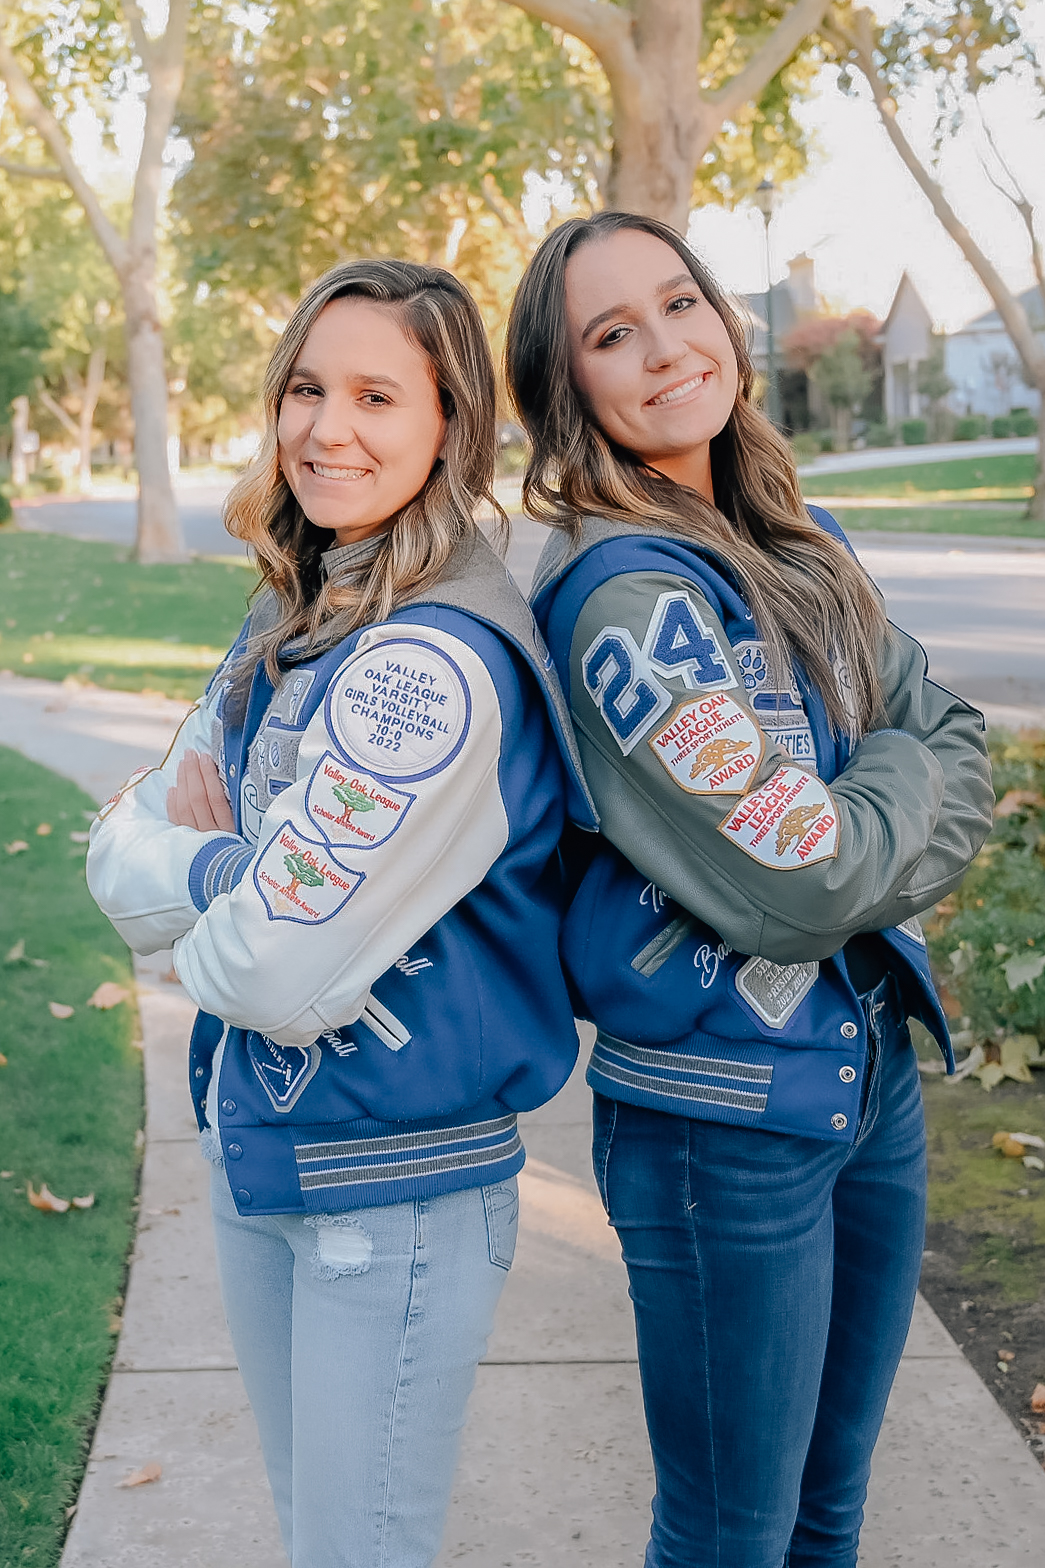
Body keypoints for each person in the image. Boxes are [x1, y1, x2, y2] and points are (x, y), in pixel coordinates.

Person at [87, 258, 595, 1568]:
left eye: (377, 395)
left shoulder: (429, 660)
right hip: (274, 1152)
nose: (326, 428)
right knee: (315, 1529)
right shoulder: (291, 611)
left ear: (450, 426)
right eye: (306, 389)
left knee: (355, 1551)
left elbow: (260, 962)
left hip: (395, 1193)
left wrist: (211, 872)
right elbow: (115, 852)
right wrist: (222, 870)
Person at [505, 211, 995, 1568]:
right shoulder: (627, 601)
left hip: (860, 1072)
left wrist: (881, 789)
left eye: (680, 304)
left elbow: (958, 736)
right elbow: (806, 878)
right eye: (612, 333)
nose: (665, 348)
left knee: (828, 1512)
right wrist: (890, 791)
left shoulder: (794, 534)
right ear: (569, 393)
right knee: (732, 1534)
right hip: (722, 1124)